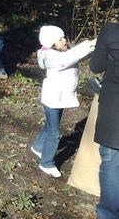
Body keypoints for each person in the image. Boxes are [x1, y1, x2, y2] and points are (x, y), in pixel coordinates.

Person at [31, 25, 95, 178]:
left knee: (50, 126)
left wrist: (92, 46)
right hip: (53, 99)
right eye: (60, 39)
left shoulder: (58, 53)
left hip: (57, 99)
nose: (64, 40)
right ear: (52, 44)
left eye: (63, 37)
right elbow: (68, 59)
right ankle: (46, 163)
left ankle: (38, 146)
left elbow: (73, 55)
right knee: (54, 133)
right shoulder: (53, 57)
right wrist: (88, 45)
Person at [90, 20, 119, 219]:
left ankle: (108, 216)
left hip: (115, 107)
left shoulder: (111, 31)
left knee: (111, 161)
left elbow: (96, 66)